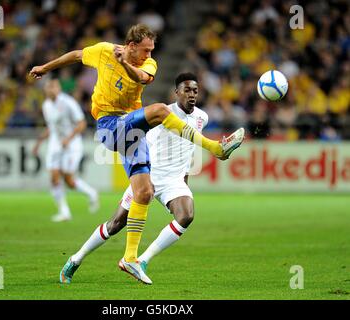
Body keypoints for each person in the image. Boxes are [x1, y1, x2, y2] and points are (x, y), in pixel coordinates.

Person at [30, 24, 244, 284]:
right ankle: (215, 147)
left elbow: (140, 78)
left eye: (151, 50)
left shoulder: (148, 65)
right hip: (109, 125)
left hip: (132, 133)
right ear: (131, 46)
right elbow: (76, 55)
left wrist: (125, 64)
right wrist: (44, 67)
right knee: (159, 111)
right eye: (145, 50)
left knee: (143, 194)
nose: (149, 55)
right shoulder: (104, 51)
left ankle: (117, 259)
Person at [59, 72, 236, 285]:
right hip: (148, 176)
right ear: (176, 92)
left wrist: (184, 180)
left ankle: (141, 260)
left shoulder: (202, 117)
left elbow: (189, 149)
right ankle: (75, 259)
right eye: (187, 90)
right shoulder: (162, 114)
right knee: (115, 224)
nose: (191, 95)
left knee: (186, 215)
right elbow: (140, 138)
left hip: (174, 181)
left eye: (195, 91)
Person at [32, 79, 99, 222]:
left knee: (69, 180)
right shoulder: (46, 105)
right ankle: (64, 212)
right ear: (45, 90)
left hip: (72, 144)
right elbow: (52, 127)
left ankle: (92, 193)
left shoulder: (68, 103)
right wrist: (39, 142)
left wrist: (68, 139)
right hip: (56, 144)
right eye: (48, 87)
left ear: (58, 88)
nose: (51, 90)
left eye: (53, 87)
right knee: (54, 177)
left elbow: (82, 124)